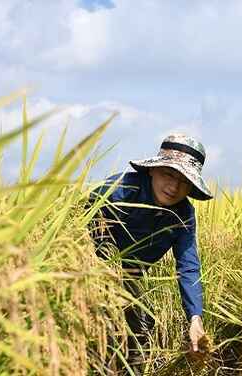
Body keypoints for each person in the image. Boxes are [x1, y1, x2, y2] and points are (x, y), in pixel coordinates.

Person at [88, 133, 213, 373]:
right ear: (152, 171)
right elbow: (79, 220)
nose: (174, 186)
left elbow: (188, 266)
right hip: (94, 264)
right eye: (169, 174)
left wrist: (195, 318)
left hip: (131, 275)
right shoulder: (120, 190)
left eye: (184, 181)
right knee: (109, 322)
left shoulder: (183, 215)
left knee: (143, 328)